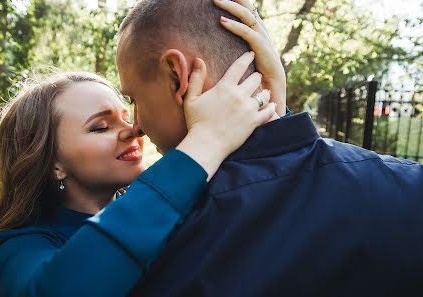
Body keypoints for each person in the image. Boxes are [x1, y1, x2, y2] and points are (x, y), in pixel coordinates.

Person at [116, 0, 423, 296]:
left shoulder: (150, 245)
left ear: (176, 75)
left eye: (134, 100)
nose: (137, 124)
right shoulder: (408, 187)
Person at [0, 7, 285, 297]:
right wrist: (206, 141)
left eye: (128, 113)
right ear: (52, 163)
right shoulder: (15, 248)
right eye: (100, 127)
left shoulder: (173, 206)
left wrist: (273, 103)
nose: (134, 130)